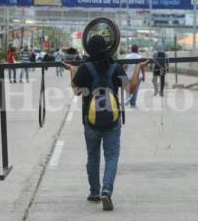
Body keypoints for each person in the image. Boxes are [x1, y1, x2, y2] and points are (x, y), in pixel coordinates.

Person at [64, 35, 149, 211]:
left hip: (91, 120)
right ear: (107, 48)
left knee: (92, 156)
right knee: (111, 156)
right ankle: (106, 190)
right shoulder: (115, 67)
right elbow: (130, 89)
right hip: (113, 119)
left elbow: (76, 91)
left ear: (89, 49)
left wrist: (73, 70)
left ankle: (94, 192)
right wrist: (138, 69)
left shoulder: (85, 68)